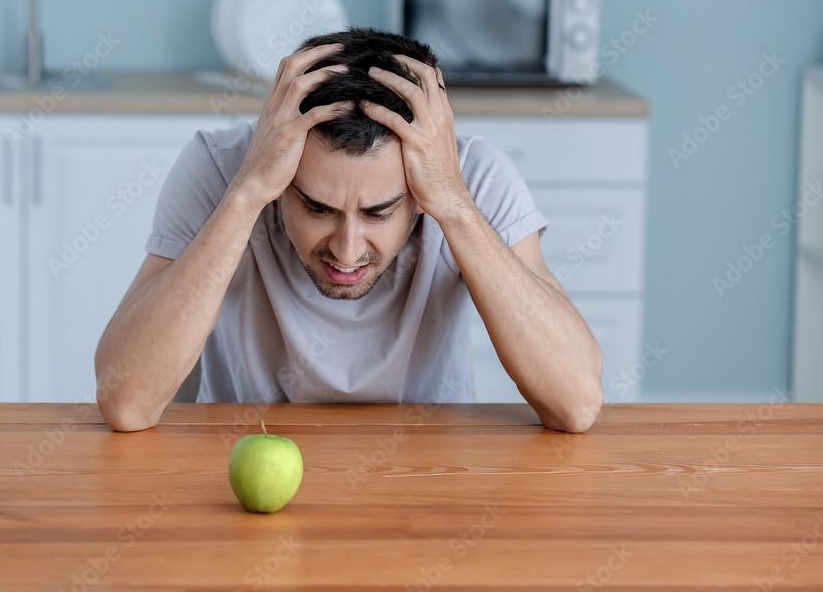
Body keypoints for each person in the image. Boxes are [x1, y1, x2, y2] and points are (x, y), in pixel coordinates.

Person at [94, 27, 603, 433]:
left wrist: (454, 205)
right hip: (242, 457)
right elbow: (127, 403)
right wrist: (248, 191)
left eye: (379, 212)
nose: (346, 249)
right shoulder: (221, 169)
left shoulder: (472, 177)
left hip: (427, 471)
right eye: (317, 207)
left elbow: (576, 404)